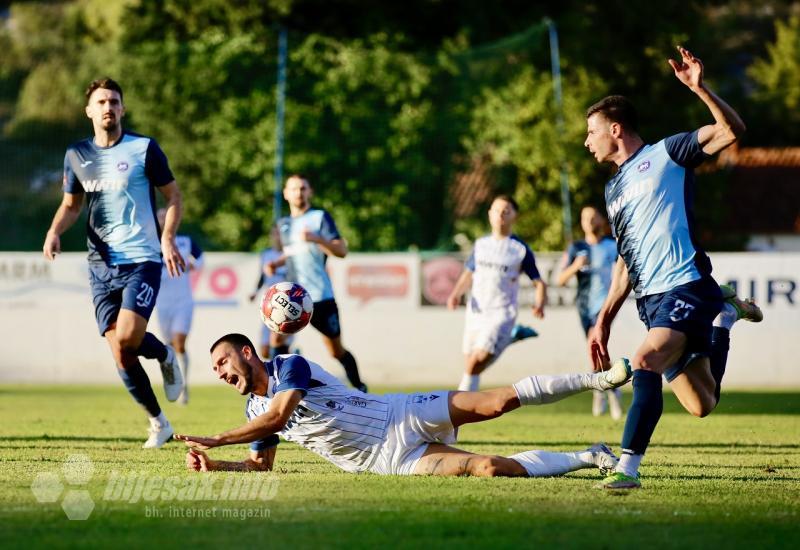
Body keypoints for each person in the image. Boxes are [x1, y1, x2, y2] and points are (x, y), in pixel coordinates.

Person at [583, 46, 762, 489]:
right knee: (702, 403)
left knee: (643, 361)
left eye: (592, 131)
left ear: (615, 129)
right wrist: (602, 320)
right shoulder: (613, 192)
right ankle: (726, 319)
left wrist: (699, 88)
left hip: (686, 287)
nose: (587, 141)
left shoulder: (669, 153)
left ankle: (627, 469)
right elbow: (625, 263)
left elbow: (731, 130)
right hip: (653, 302)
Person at [175, 333, 633, 478]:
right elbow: (261, 468)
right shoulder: (253, 417)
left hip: (399, 412)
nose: (220, 371)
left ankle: (598, 378)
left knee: (497, 402)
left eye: (223, 361)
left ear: (248, 353)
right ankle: (590, 456)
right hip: (389, 460)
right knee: (490, 469)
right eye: (215, 369)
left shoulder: (288, 366)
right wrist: (218, 465)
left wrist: (215, 436)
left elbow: (280, 413)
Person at [42, 77, 186, 449]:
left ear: (122, 109)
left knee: (127, 337)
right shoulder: (76, 154)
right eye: (101, 102)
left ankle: (165, 354)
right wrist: (55, 231)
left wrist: (167, 239)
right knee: (121, 353)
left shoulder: (144, 148)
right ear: (89, 111)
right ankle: (159, 422)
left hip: (141, 259)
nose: (108, 107)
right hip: (99, 266)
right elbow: (72, 205)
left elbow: (173, 196)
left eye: (114, 102)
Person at [265, 175, 366, 392]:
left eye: (303, 188)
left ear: (310, 192)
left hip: (320, 296)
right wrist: (277, 263)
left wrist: (318, 239)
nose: (298, 193)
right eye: (294, 189)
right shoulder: (283, 224)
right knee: (276, 340)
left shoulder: (320, 218)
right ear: (286, 193)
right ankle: (275, 391)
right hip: (292, 298)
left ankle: (360, 388)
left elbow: (342, 251)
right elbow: (293, 252)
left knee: (335, 351)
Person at [447, 195, 546, 392]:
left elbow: (539, 282)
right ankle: (511, 338)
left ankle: (457, 408)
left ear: (514, 216)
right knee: (471, 363)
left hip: (501, 312)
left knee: (474, 363)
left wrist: (540, 303)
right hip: (476, 311)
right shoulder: (481, 244)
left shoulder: (519, 249)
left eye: (506, 211)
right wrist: (455, 294)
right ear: (490, 214)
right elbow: (468, 272)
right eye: (497, 210)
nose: (501, 214)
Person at [557, 206, 623, 419]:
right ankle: (609, 387)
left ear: (602, 220)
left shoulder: (611, 246)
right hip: (584, 307)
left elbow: (623, 271)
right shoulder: (576, 247)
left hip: (604, 305)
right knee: (597, 349)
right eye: (585, 217)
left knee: (594, 345)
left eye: (593, 217)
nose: (589, 221)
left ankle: (602, 389)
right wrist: (576, 266)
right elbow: (559, 279)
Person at [154, 207, 204, 405]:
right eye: (159, 217)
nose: (163, 220)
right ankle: (173, 381)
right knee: (168, 348)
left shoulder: (185, 241)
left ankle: (184, 388)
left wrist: (194, 265)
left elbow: (199, 257)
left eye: (166, 216)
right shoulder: (151, 243)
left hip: (183, 301)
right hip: (162, 302)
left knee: (180, 342)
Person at [248, 223, 295, 359]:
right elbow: (262, 276)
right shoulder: (266, 254)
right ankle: (296, 356)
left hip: (286, 305)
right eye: (275, 233)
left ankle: (288, 372)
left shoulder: (290, 255)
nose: (278, 237)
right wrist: (255, 292)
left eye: (281, 234)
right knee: (265, 351)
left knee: (279, 344)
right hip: (269, 306)